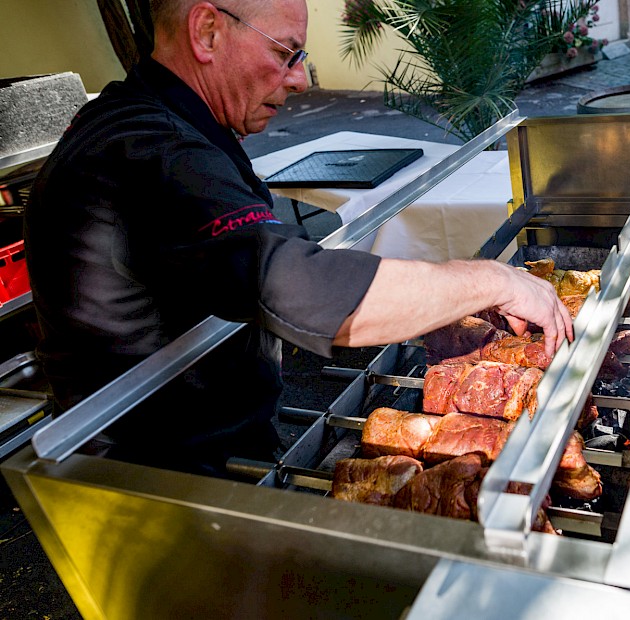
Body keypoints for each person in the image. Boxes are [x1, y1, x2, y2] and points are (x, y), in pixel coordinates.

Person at [25, 0, 572, 476]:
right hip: (165, 482)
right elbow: (299, 286)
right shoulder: (153, 154)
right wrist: (492, 280)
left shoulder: (148, 117)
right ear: (207, 32)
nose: (301, 80)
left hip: (203, 446)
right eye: (286, 53)